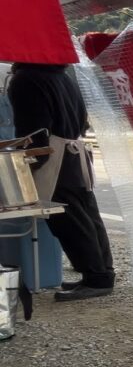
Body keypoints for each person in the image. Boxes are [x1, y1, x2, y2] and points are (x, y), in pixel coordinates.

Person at [8, 63, 114, 301]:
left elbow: (33, 131)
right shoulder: (64, 76)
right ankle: (102, 273)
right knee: (88, 214)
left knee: (69, 221)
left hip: (54, 156)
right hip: (75, 151)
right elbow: (83, 122)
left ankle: (96, 278)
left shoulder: (26, 79)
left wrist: (28, 163)